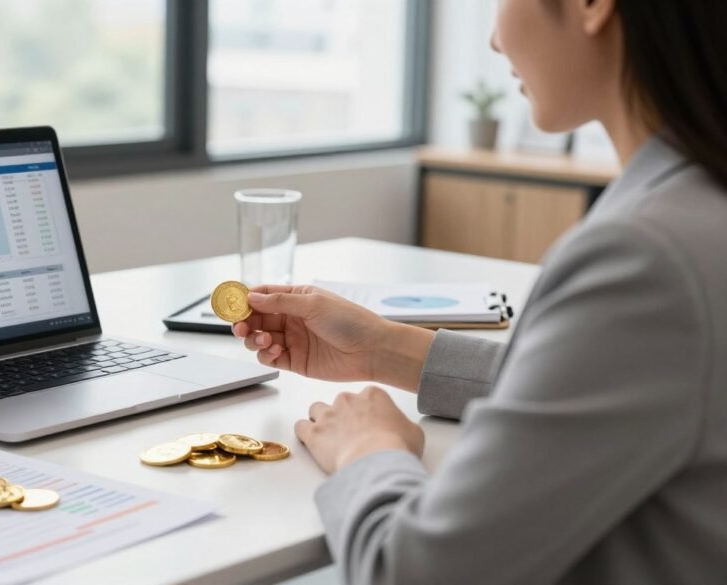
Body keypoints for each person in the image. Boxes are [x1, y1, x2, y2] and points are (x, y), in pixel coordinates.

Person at [233, 1, 727, 583]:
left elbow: (412, 572)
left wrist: (365, 449)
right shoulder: (699, 206)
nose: (494, 40)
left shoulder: (646, 257)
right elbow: (628, 381)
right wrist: (386, 350)